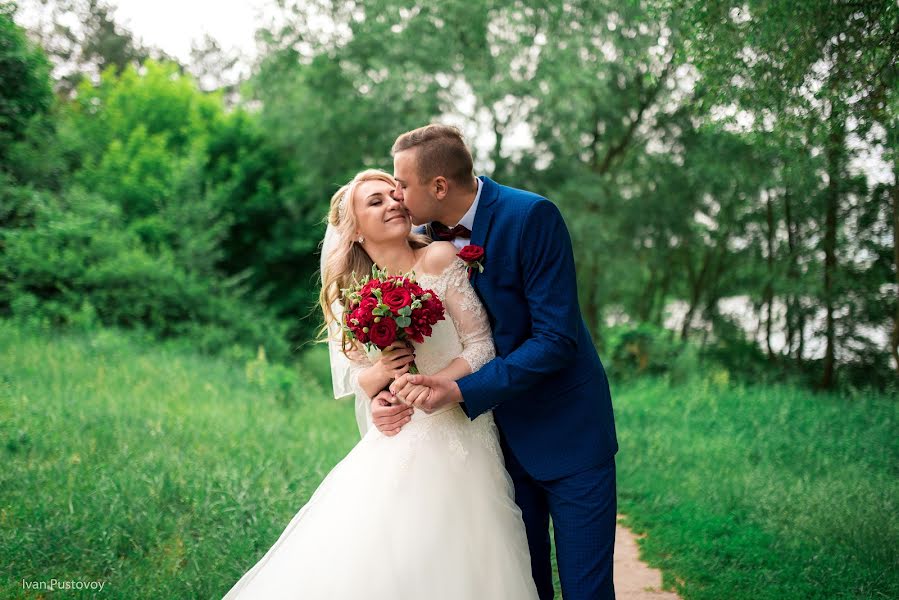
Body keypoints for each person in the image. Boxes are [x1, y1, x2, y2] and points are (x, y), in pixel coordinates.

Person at [222, 169, 539, 599]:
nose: (393, 203)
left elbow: (482, 345)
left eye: (394, 195)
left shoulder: (441, 259)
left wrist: (437, 384)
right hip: (400, 433)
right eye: (375, 201)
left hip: (460, 425)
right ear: (353, 232)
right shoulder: (353, 293)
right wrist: (384, 381)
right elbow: (356, 376)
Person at [381, 124, 618, 600]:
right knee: (520, 587)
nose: (396, 195)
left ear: (440, 187)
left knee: (586, 590)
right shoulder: (419, 241)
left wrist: (461, 390)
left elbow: (556, 340)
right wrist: (384, 397)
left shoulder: (531, 216)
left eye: (403, 184)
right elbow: (402, 343)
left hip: (568, 433)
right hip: (491, 447)